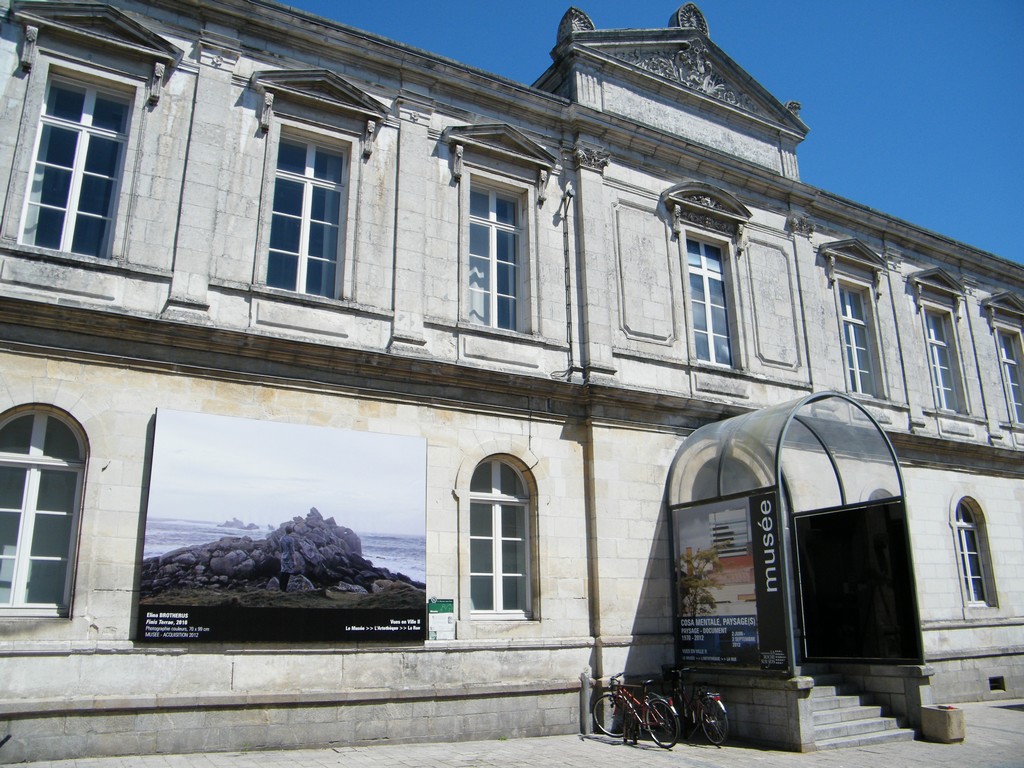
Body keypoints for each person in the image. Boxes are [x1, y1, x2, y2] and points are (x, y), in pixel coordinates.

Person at [278, 524, 300, 591]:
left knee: (282, 572)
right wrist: (294, 561)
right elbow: (292, 551)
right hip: (289, 558)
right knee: (287, 573)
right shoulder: (291, 539)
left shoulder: (281, 538)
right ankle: (284, 589)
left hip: (283, 556)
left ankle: (280, 588)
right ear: (291, 531)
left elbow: (281, 549)